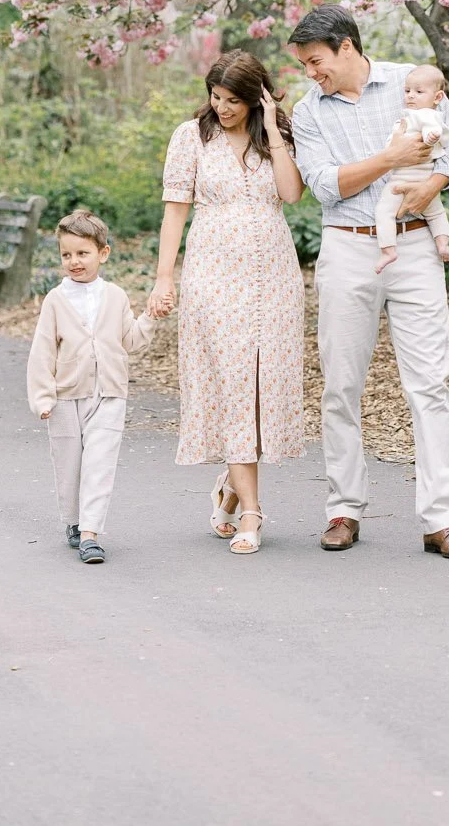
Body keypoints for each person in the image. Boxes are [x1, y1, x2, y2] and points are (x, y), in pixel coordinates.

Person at [289, 5, 449, 560]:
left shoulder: (409, 82)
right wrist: (390, 158)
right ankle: (344, 509)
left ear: (346, 47)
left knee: (430, 383)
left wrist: (433, 183)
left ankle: (441, 521)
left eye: (316, 61)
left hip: (416, 245)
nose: (311, 73)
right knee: (340, 384)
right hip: (347, 246)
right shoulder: (308, 111)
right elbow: (325, 185)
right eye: (304, 65)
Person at [147, 50, 305, 555]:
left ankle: (232, 487)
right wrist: (164, 279)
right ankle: (252, 513)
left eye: (234, 100)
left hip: (274, 278)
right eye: (216, 97)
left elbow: (292, 195)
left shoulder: (276, 134)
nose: (223, 107)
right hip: (214, 276)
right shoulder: (190, 136)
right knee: (234, 385)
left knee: (263, 387)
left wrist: (274, 132)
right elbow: (175, 211)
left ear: (257, 98)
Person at [26, 207, 158, 564]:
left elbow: (129, 340)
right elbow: (42, 351)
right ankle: (74, 520)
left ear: (103, 253)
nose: (74, 262)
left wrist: (150, 317)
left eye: (82, 253)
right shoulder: (56, 300)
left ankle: (90, 534)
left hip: (110, 394)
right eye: (66, 255)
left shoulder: (115, 296)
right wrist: (43, 397)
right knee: (69, 465)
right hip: (66, 397)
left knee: (100, 464)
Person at [373, 64, 449, 273]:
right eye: (407, 90)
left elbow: (432, 128)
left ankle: (388, 250)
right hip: (424, 180)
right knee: (436, 214)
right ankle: (443, 244)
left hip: (401, 181)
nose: (410, 96)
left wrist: (431, 136)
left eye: (419, 92)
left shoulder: (425, 114)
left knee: (384, 212)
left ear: (437, 97)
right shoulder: (412, 115)